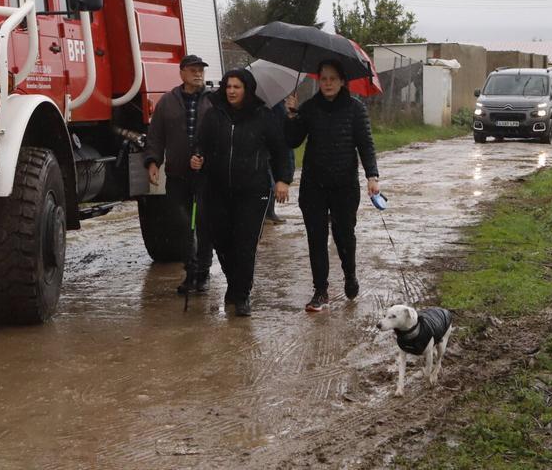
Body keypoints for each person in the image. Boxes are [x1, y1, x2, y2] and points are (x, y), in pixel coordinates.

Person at [192, 68, 292, 317]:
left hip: (253, 191)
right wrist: (196, 158)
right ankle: (235, 286)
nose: (232, 91)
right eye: (228, 87)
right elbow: (200, 145)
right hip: (217, 190)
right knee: (223, 242)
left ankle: (242, 295)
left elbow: (280, 150)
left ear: (246, 89)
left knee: (245, 245)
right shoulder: (214, 116)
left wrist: (282, 180)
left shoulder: (263, 117)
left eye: (237, 87)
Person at [285, 58, 380, 312]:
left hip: (345, 186)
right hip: (313, 185)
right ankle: (320, 290)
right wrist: (292, 115)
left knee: (344, 236)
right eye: (323, 79)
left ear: (341, 81)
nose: (327, 83)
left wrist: (372, 176)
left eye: (332, 79)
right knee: (316, 238)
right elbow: (293, 141)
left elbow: (366, 144)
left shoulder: (355, 109)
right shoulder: (309, 108)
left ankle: (350, 275)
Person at [143, 54, 214, 295]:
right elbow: (156, 135)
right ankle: (190, 271)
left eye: (201, 70)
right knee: (182, 224)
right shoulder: (167, 102)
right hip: (177, 175)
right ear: (182, 73)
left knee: (204, 225)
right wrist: (153, 162)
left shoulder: (213, 101)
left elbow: (222, 135)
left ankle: (202, 274)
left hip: (205, 176)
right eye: (193, 70)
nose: (198, 74)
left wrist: (208, 158)